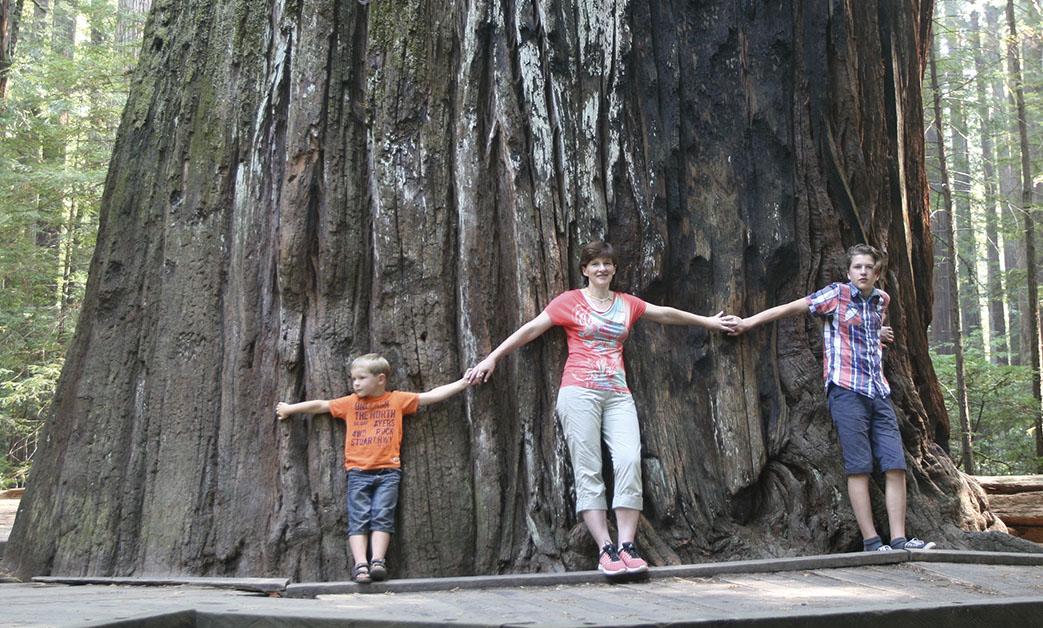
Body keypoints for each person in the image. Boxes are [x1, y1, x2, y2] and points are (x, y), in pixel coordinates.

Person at [465, 240, 739, 577]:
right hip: (579, 393)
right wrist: (492, 357)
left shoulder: (627, 304)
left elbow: (664, 314)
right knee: (588, 469)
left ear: (614, 269)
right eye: (595, 264)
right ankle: (605, 549)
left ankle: (627, 545)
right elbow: (531, 329)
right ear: (585, 269)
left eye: (607, 264)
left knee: (628, 460)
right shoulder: (570, 302)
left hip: (617, 394)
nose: (602, 269)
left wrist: (708, 322)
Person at [730, 243, 934, 552]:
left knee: (895, 466)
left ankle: (900, 539)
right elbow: (791, 308)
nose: (863, 272)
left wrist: (877, 337)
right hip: (846, 389)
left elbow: (867, 330)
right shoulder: (835, 295)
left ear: (876, 273)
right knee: (860, 466)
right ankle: (872, 542)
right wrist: (748, 322)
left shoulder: (881, 300)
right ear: (849, 271)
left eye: (868, 267)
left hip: (878, 391)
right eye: (857, 267)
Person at [276, 353, 469, 583]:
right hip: (358, 472)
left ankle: (378, 560)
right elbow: (321, 405)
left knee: (382, 516)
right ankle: (360, 565)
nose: (355, 383)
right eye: (353, 378)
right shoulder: (350, 403)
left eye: (361, 378)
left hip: (388, 472)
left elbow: (431, 396)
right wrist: (290, 408)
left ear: (380, 379)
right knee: (358, 518)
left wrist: (463, 383)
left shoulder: (397, 400)